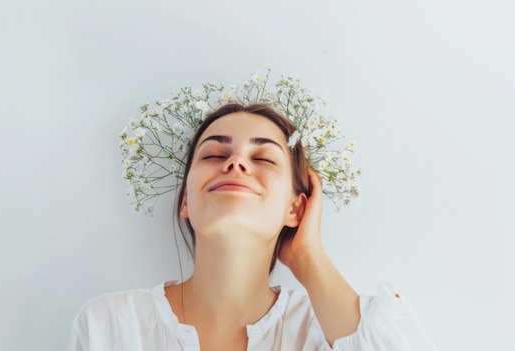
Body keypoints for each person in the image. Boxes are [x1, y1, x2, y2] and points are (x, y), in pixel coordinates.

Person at [66, 103, 438, 350]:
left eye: (263, 157)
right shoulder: (110, 326)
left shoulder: (325, 330)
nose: (236, 164)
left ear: (297, 208)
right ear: (184, 201)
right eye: (214, 154)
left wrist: (308, 256)